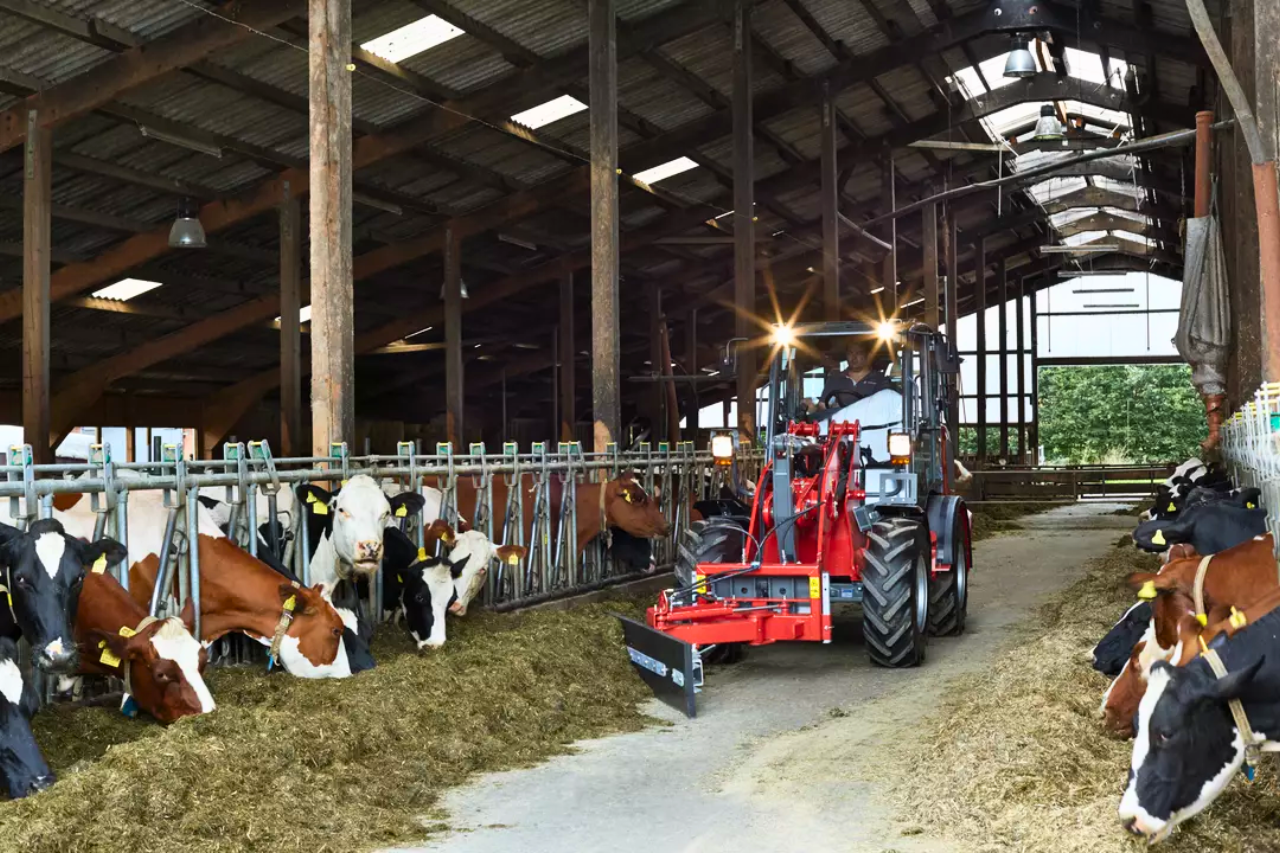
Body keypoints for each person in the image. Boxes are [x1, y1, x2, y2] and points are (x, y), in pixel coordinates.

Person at [809, 336, 895, 413]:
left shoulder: (881, 380)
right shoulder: (834, 379)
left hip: (871, 428)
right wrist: (814, 408)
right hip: (839, 427)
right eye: (850, 353)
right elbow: (822, 407)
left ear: (868, 355)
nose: (853, 358)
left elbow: (886, 407)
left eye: (858, 353)